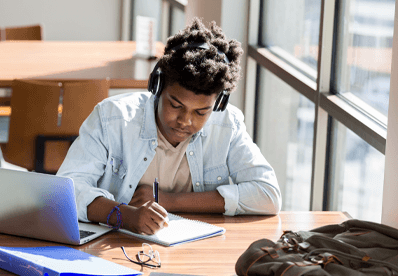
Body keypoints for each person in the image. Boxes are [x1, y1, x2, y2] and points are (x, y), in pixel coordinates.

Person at [56, 18, 281, 235]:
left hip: (193, 249)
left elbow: (268, 194)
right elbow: (67, 191)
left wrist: (170, 200)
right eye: (175, 105)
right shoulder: (111, 118)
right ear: (157, 86)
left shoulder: (227, 125)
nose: (185, 121)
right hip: (116, 247)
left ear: (218, 104)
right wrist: (126, 216)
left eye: (201, 112)